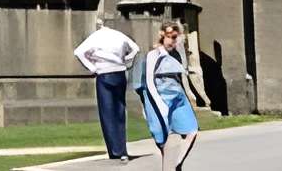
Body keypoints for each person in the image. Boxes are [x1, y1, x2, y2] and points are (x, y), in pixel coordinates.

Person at [74, 14, 140, 160]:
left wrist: (92, 67)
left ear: (99, 24)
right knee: (120, 111)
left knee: (107, 113)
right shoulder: (119, 35)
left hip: (104, 73)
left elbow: (78, 52)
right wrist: (126, 60)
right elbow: (135, 49)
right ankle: (122, 148)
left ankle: (115, 150)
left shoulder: (96, 37)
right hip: (120, 72)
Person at [140, 22, 201, 170]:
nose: (174, 41)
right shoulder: (153, 55)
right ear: (163, 36)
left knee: (191, 131)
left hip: (177, 95)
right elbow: (149, 80)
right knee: (162, 139)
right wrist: (160, 105)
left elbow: (181, 78)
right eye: (171, 37)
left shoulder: (176, 54)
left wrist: (188, 96)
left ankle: (177, 165)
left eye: (176, 38)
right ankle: (168, 167)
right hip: (160, 96)